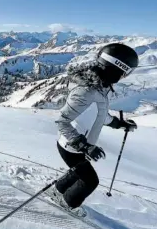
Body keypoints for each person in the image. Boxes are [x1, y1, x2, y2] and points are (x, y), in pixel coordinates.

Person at [47, 43, 139, 216]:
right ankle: (67, 203)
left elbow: (100, 115)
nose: (124, 76)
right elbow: (62, 121)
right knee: (90, 181)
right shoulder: (86, 92)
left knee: (79, 170)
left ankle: (57, 191)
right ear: (115, 68)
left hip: (79, 145)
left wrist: (120, 124)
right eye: (124, 72)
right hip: (72, 145)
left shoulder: (101, 88)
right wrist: (83, 145)